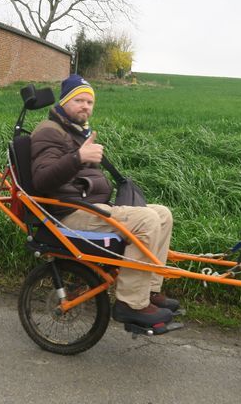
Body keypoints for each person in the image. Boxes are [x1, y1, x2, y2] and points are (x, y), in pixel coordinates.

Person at [30, 74, 179, 328]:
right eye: (79, 100)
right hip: (68, 214)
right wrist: (78, 157)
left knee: (162, 214)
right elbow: (42, 179)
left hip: (90, 207)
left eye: (89, 102)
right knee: (147, 220)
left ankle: (149, 291)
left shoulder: (75, 132)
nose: (86, 107)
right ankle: (131, 304)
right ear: (64, 102)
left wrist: (81, 154)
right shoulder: (50, 132)